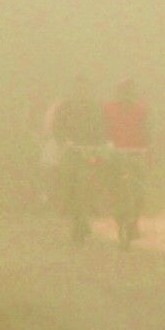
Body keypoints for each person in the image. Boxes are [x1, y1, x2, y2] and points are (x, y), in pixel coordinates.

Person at [47, 77, 105, 246]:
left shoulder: (95, 108)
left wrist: (98, 146)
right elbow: (57, 127)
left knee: (87, 184)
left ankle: (89, 212)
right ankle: (76, 217)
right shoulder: (66, 107)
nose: (81, 91)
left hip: (88, 151)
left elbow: (102, 128)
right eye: (78, 88)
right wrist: (63, 142)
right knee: (69, 184)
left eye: (84, 87)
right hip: (70, 151)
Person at [102, 80, 151, 248]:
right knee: (112, 187)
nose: (126, 96)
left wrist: (147, 149)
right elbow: (102, 129)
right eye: (124, 92)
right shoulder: (108, 109)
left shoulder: (140, 110)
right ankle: (119, 218)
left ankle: (134, 220)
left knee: (141, 190)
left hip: (136, 154)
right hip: (114, 154)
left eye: (129, 92)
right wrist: (105, 145)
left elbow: (147, 131)